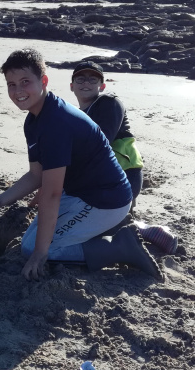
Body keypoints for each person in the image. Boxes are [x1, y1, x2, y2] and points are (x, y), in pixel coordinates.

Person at [0, 48, 162, 281]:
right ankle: (97, 235)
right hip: (80, 194)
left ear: (44, 81)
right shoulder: (34, 119)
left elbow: (51, 194)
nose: (18, 91)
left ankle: (119, 247)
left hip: (107, 201)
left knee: (33, 248)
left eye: (25, 82)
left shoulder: (56, 122)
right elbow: (36, 175)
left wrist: (40, 254)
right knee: (32, 239)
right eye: (11, 84)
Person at [70, 60, 178, 254]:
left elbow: (100, 143)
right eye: (80, 79)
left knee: (92, 228)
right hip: (100, 180)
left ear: (102, 86)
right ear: (72, 86)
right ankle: (130, 225)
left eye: (93, 79)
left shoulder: (109, 103)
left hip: (123, 178)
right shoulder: (78, 114)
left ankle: (143, 230)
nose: (86, 83)